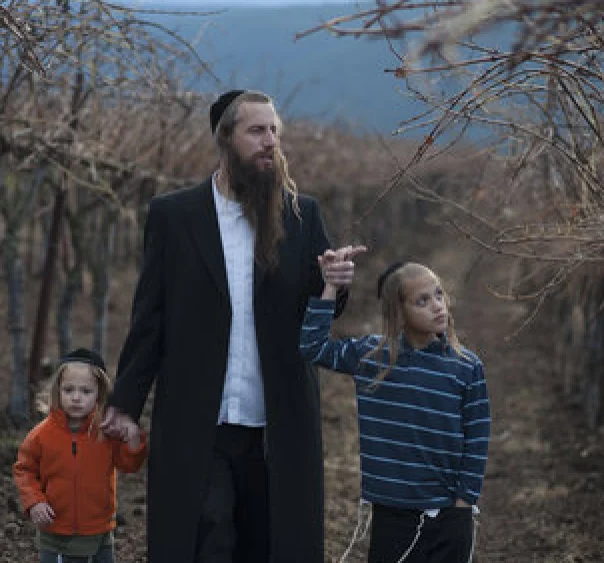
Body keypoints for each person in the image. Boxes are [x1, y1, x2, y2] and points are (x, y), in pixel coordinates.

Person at [101, 89, 360, 562]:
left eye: (275, 131)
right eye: (257, 131)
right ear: (225, 138)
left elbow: (319, 313)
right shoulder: (174, 216)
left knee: (267, 544)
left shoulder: (301, 215)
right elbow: (149, 316)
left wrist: (333, 283)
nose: (270, 142)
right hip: (200, 416)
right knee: (206, 538)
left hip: (277, 419)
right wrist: (126, 402)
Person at [299, 261, 491, 563]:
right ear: (399, 313)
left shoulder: (466, 367)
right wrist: (331, 286)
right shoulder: (372, 357)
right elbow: (313, 347)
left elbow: (477, 438)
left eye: (438, 294)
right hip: (393, 514)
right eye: (422, 301)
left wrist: (464, 502)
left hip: (449, 514)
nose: (437, 306)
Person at [13, 348, 148, 563]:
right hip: (56, 531)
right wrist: (35, 502)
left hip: (99, 529)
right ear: (57, 391)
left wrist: (133, 439)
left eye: (86, 391)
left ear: (99, 393)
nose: (76, 398)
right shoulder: (41, 435)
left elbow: (129, 464)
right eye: (68, 390)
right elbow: (24, 470)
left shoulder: (105, 433)